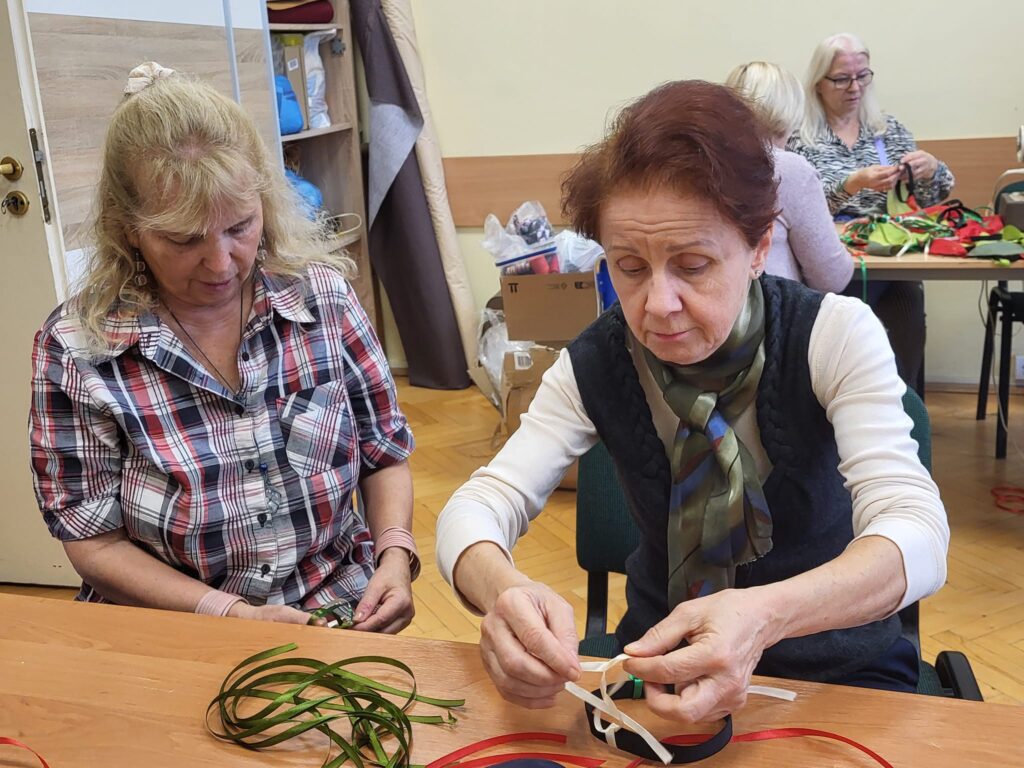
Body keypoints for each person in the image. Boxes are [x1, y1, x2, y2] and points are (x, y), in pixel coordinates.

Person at [436, 80, 948, 723]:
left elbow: (918, 536)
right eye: (628, 265)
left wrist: (762, 616)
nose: (658, 304)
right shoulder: (598, 361)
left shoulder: (833, 335)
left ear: (760, 246)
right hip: (661, 670)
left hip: (841, 676)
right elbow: (477, 507)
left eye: (694, 265)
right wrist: (502, 590)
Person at [28, 64, 418, 633]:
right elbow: (94, 542)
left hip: (336, 608)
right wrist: (228, 614)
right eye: (184, 239)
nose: (220, 262)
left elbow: (384, 453)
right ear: (128, 227)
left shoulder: (324, 301)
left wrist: (394, 554)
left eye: (240, 226)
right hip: (173, 627)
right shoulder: (78, 349)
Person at [790, 33, 955, 393]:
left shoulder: (888, 131)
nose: (855, 87)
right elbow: (796, 202)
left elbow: (925, 202)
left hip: (888, 256)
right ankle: (842, 404)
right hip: (827, 260)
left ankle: (902, 404)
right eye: (842, 79)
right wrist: (851, 184)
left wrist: (931, 169)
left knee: (908, 299)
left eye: (863, 76)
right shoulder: (799, 137)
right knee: (844, 309)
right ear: (819, 83)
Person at [725, 61, 852, 294]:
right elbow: (832, 278)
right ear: (790, 109)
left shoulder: (711, 163)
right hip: (773, 318)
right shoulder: (789, 168)